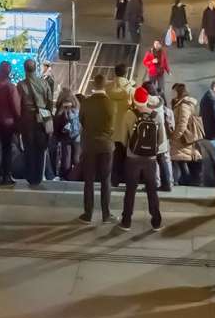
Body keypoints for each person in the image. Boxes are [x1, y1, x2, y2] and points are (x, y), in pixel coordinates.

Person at [118, 85, 165, 232]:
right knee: (152, 191)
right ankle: (156, 221)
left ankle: (126, 221)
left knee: (130, 190)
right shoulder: (155, 115)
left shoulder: (129, 114)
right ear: (146, 99)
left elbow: (123, 138)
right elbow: (161, 139)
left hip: (133, 159)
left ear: (134, 99)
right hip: (150, 160)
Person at [77, 73, 114, 223]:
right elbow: (112, 124)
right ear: (105, 85)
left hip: (89, 145)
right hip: (106, 146)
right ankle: (106, 214)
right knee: (106, 180)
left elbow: (82, 120)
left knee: (89, 180)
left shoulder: (86, 102)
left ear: (94, 85)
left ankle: (88, 214)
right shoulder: (110, 103)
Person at [16, 59, 55, 187]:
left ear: (25, 69)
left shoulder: (21, 85)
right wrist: (47, 114)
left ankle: (31, 178)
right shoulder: (44, 83)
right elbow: (50, 101)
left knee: (29, 149)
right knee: (41, 148)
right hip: (42, 119)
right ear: (35, 68)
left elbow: (18, 105)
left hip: (27, 121)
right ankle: (39, 177)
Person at [169, 83, 204, 185]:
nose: (171, 93)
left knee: (181, 158)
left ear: (178, 92)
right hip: (182, 137)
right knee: (181, 159)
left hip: (183, 137)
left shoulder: (184, 105)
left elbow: (182, 123)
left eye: (173, 91)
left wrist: (176, 136)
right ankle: (184, 180)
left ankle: (183, 180)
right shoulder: (179, 103)